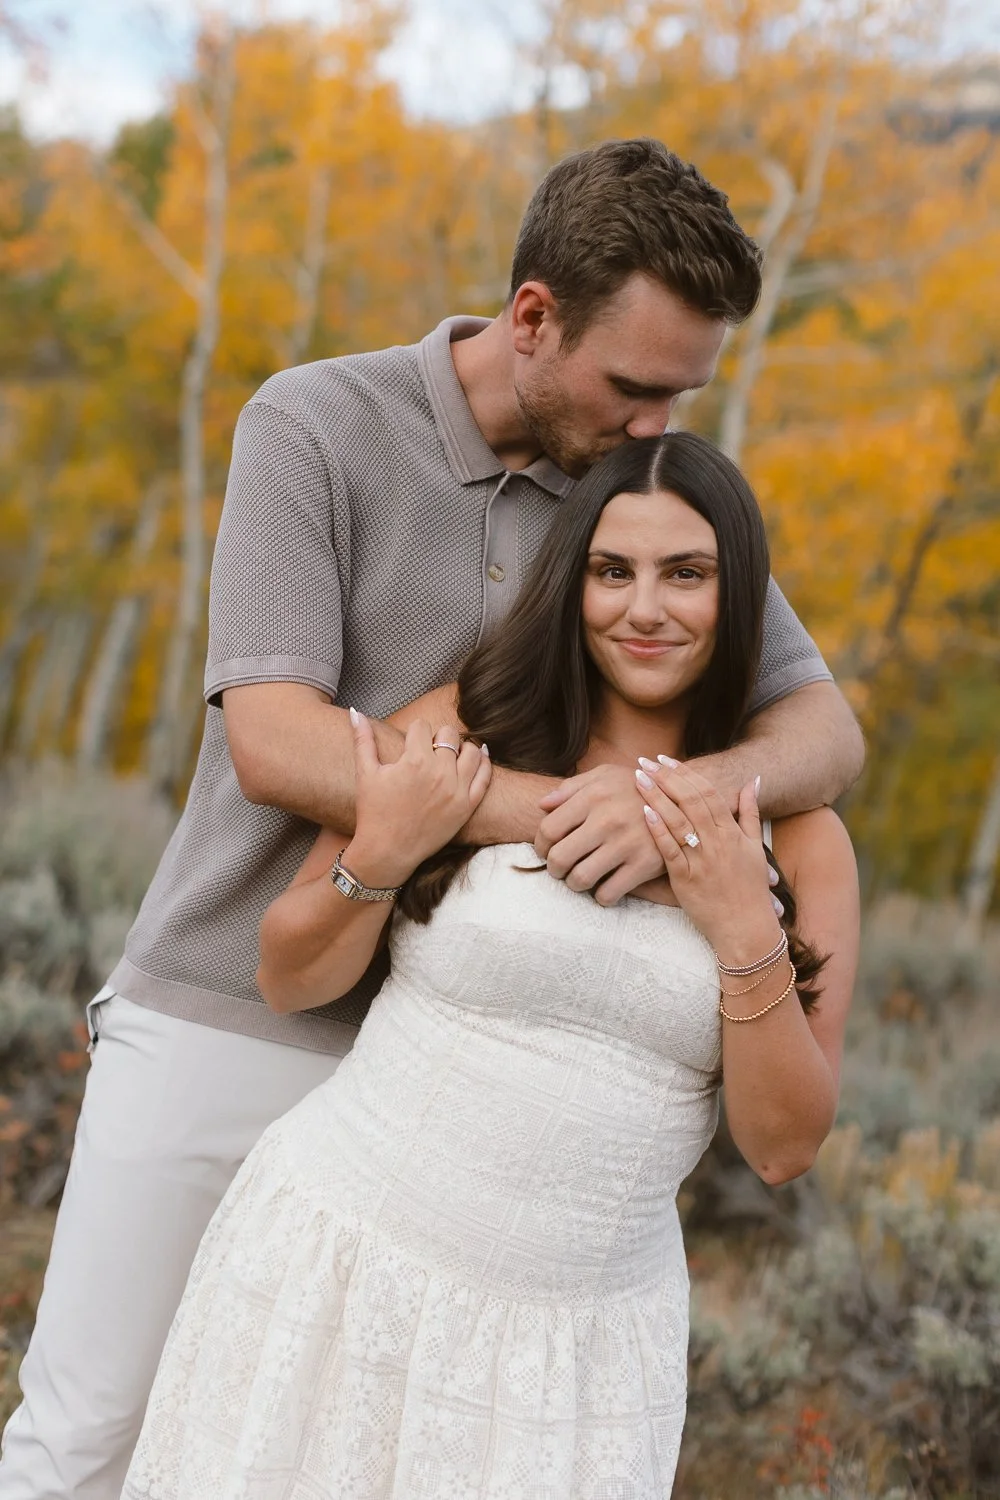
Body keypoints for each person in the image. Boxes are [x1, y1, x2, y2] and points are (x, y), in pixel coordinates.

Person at [0, 139, 863, 1500]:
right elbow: (279, 741)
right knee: (93, 1439)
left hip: (445, 1057)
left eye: (680, 396)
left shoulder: (629, 501)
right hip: (236, 1004)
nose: (659, 426)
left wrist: (682, 806)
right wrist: (585, 821)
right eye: (637, 385)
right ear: (532, 318)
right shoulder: (317, 423)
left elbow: (823, 727)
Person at [121, 431, 860, 1499]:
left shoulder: (798, 840)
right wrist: (383, 846)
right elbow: (291, 975)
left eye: (685, 575)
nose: (644, 608)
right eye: (612, 571)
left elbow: (784, 1145)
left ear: (738, 594)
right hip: (337, 1258)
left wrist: (743, 926)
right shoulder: (474, 726)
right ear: (573, 584)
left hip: (569, 1357)